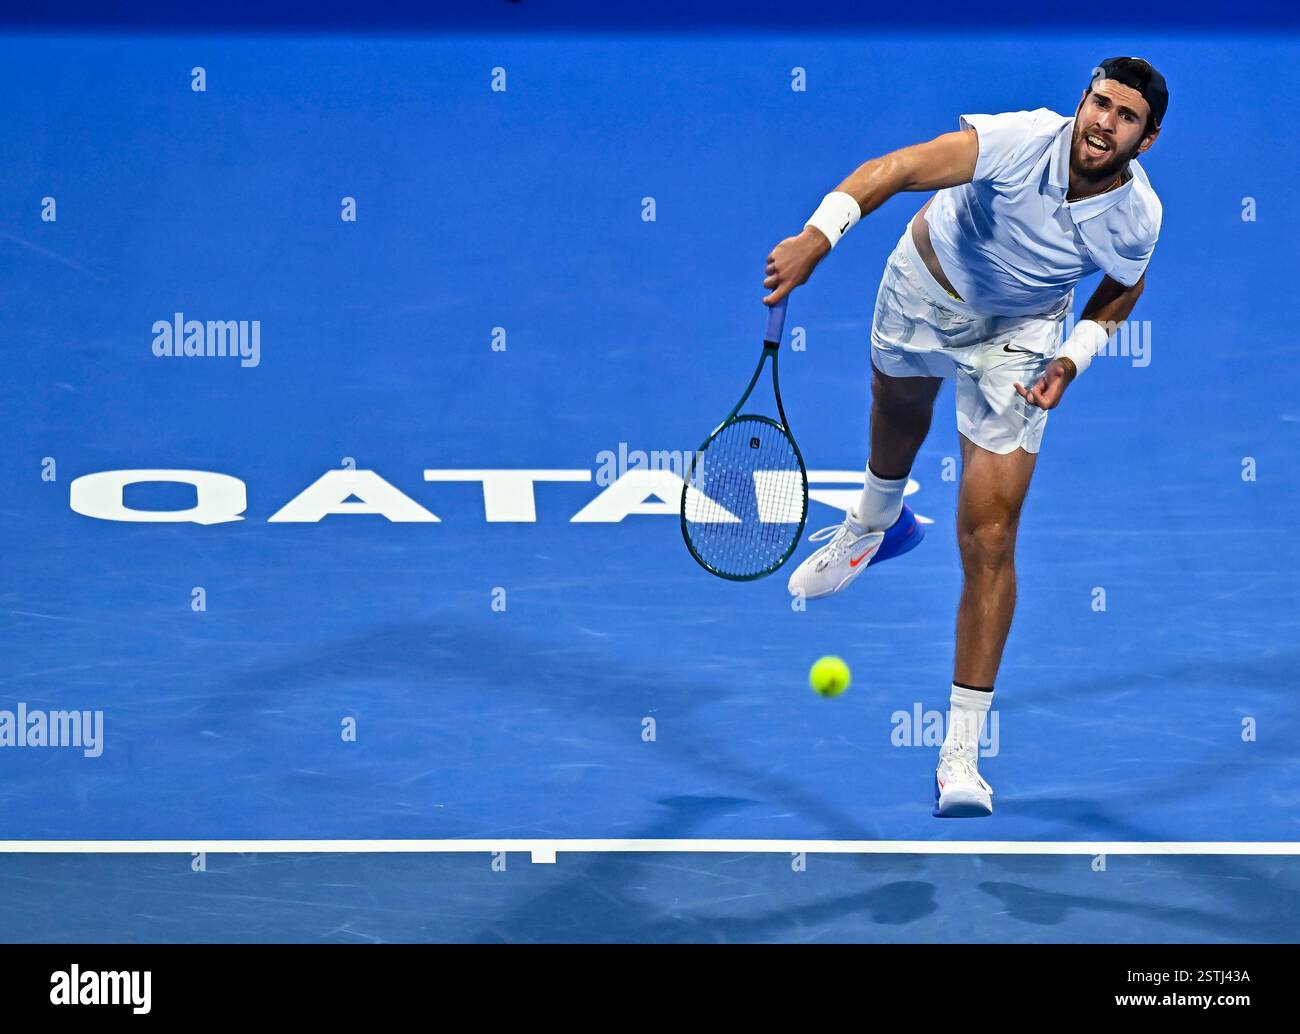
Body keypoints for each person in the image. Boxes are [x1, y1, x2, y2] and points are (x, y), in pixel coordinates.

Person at [763, 58, 1166, 817]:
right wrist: (819, 237)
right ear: (1082, 102)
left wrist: (1072, 360)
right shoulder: (1021, 140)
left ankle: (960, 755)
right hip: (924, 287)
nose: (1104, 123)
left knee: (989, 538)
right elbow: (900, 167)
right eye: (1099, 103)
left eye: (1126, 117)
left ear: (1146, 140)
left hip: (1020, 338)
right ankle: (877, 522)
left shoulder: (1138, 214)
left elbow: (1123, 285)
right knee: (897, 413)